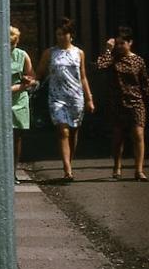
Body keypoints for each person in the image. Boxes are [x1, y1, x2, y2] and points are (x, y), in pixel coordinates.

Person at [36, 17, 95, 181]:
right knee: (63, 130)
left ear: (71, 35)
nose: (61, 37)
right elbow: (39, 72)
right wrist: (32, 80)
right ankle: (67, 169)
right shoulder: (50, 53)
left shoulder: (79, 53)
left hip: (75, 97)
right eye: (58, 34)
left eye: (64, 34)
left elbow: (83, 77)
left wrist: (89, 98)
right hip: (57, 97)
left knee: (74, 131)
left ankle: (70, 160)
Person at [97, 27, 149, 181]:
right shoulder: (112, 59)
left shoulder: (138, 60)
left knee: (138, 134)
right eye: (117, 44)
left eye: (122, 43)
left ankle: (139, 170)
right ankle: (117, 166)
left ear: (130, 43)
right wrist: (108, 49)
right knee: (118, 136)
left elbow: (144, 82)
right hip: (117, 102)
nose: (119, 46)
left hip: (136, 102)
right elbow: (100, 65)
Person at [10, 27, 37, 182]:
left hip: (19, 99)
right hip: (3, 99)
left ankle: (13, 171)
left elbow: (32, 77)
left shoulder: (22, 55)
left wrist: (28, 80)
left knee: (17, 137)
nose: (11, 47)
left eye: (13, 44)